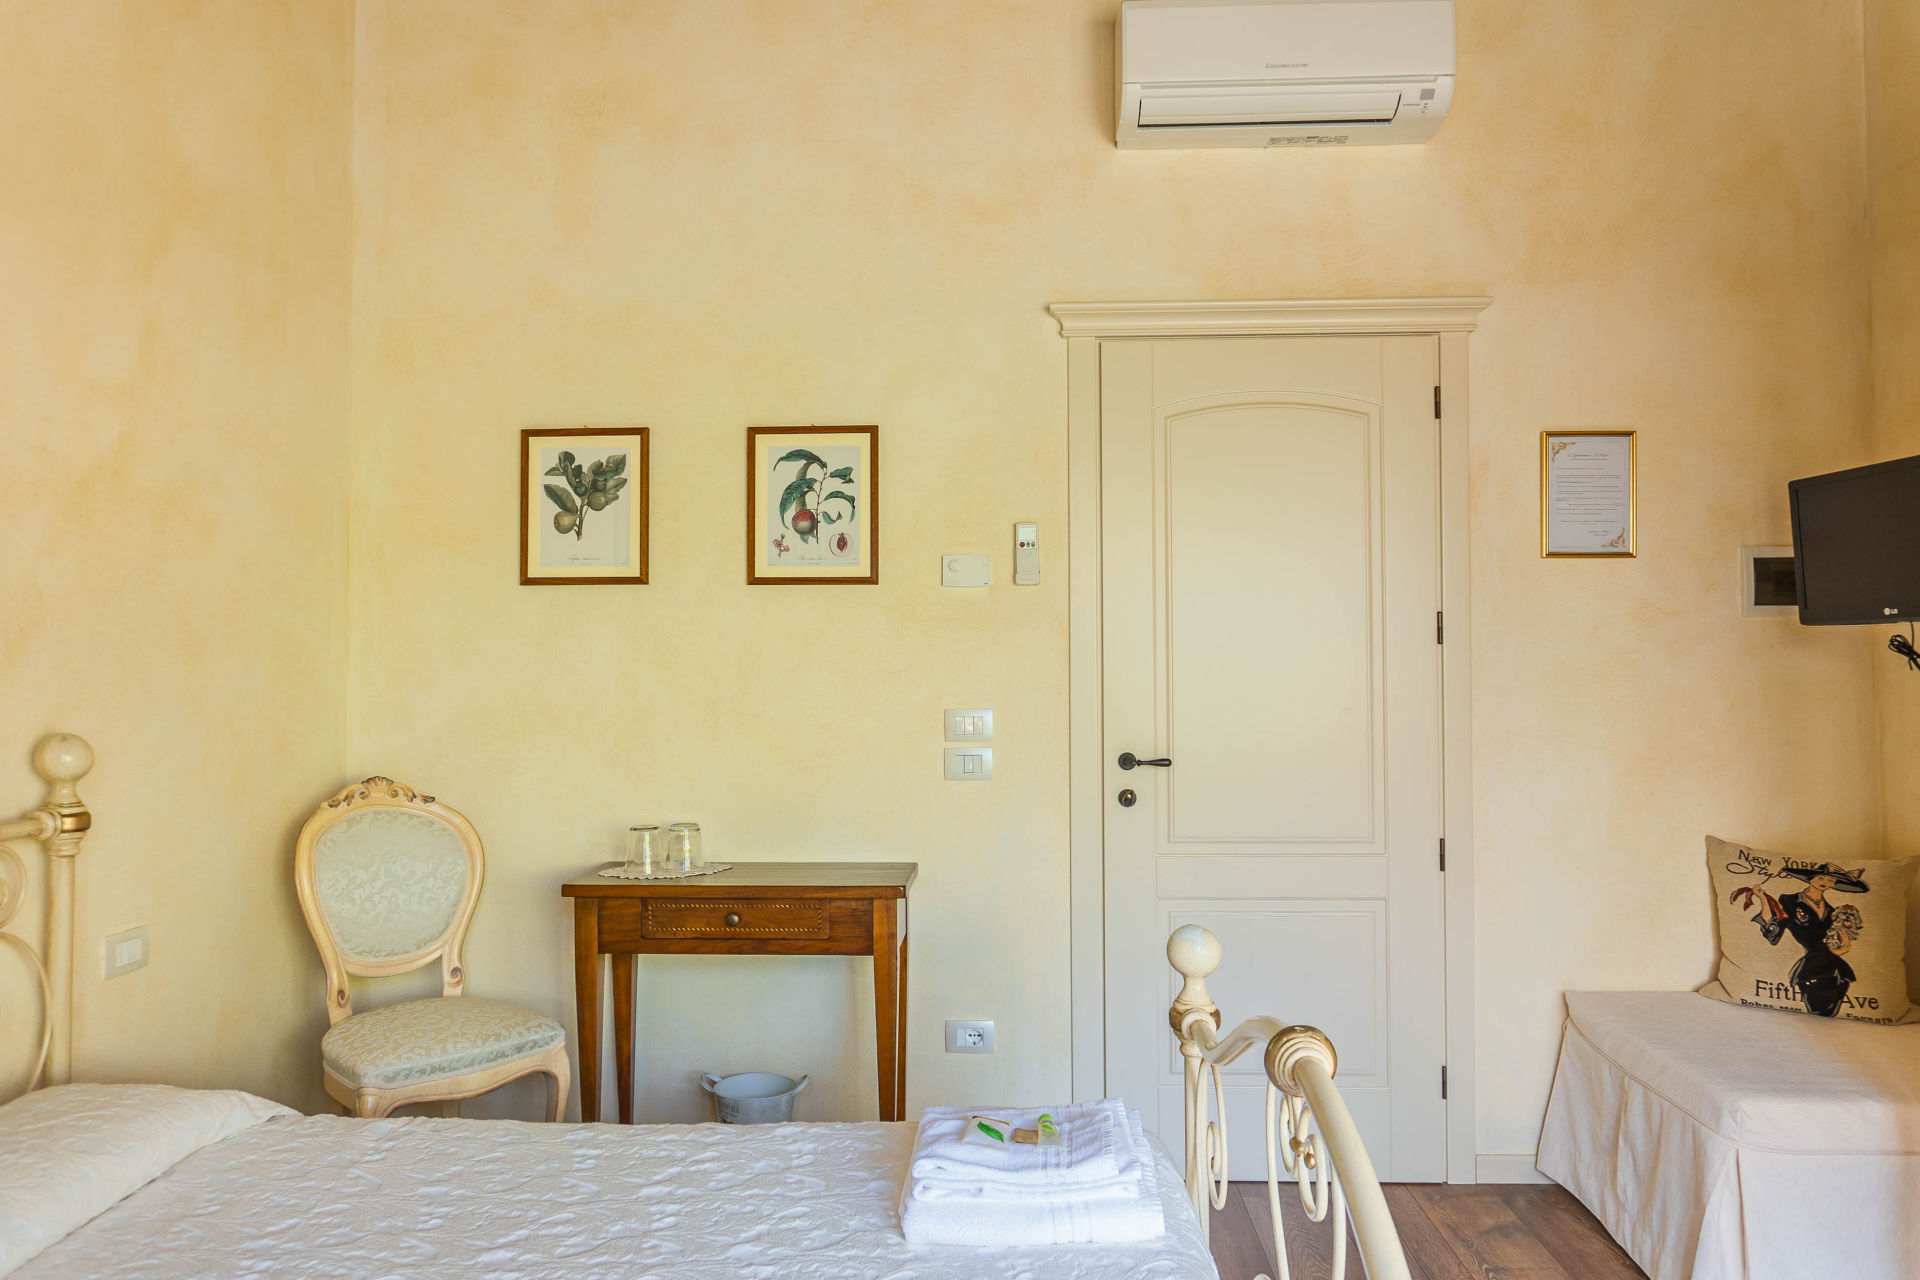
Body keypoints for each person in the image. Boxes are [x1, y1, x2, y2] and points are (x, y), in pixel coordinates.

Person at [1755, 862, 1868, 1017]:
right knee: (1817, 1006)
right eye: (1821, 877)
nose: (1825, 882)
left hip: (1835, 969)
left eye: (1830, 880)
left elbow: (1845, 944)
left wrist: (1839, 949)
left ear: (1835, 883)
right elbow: (1772, 925)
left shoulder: (1833, 912)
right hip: (1811, 966)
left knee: (1830, 1010)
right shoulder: (1790, 902)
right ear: (1811, 878)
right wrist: (1762, 898)